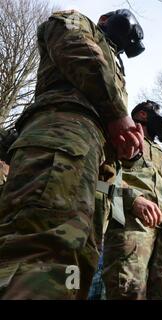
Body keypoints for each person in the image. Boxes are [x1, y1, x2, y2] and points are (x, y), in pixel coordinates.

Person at [0, 9, 145, 299]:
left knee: (75, 265)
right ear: (104, 18)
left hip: (93, 168)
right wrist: (117, 113)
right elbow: (74, 49)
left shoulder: (116, 72)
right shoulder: (75, 21)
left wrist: (127, 149)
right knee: (42, 246)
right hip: (62, 135)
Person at [102, 101, 162, 300]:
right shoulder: (117, 135)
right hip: (128, 225)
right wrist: (132, 200)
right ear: (143, 115)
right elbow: (99, 177)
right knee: (128, 290)